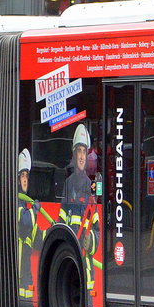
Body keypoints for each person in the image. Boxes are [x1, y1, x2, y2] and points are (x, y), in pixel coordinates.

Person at [61, 124, 99, 291]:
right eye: (79, 151)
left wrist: (91, 239)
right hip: (71, 257)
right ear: (74, 153)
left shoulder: (90, 185)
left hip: (87, 271)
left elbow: (97, 227)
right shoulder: (68, 184)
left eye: (85, 151)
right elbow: (61, 218)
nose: (82, 156)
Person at [17, 149, 51, 302]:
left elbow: (36, 236)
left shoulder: (25, 204)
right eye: (22, 176)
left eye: (26, 176)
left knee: (28, 296)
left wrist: (51, 233)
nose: (25, 180)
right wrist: (35, 211)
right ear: (17, 180)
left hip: (25, 269)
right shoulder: (16, 201)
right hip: (16, 267)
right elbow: (24, 222)